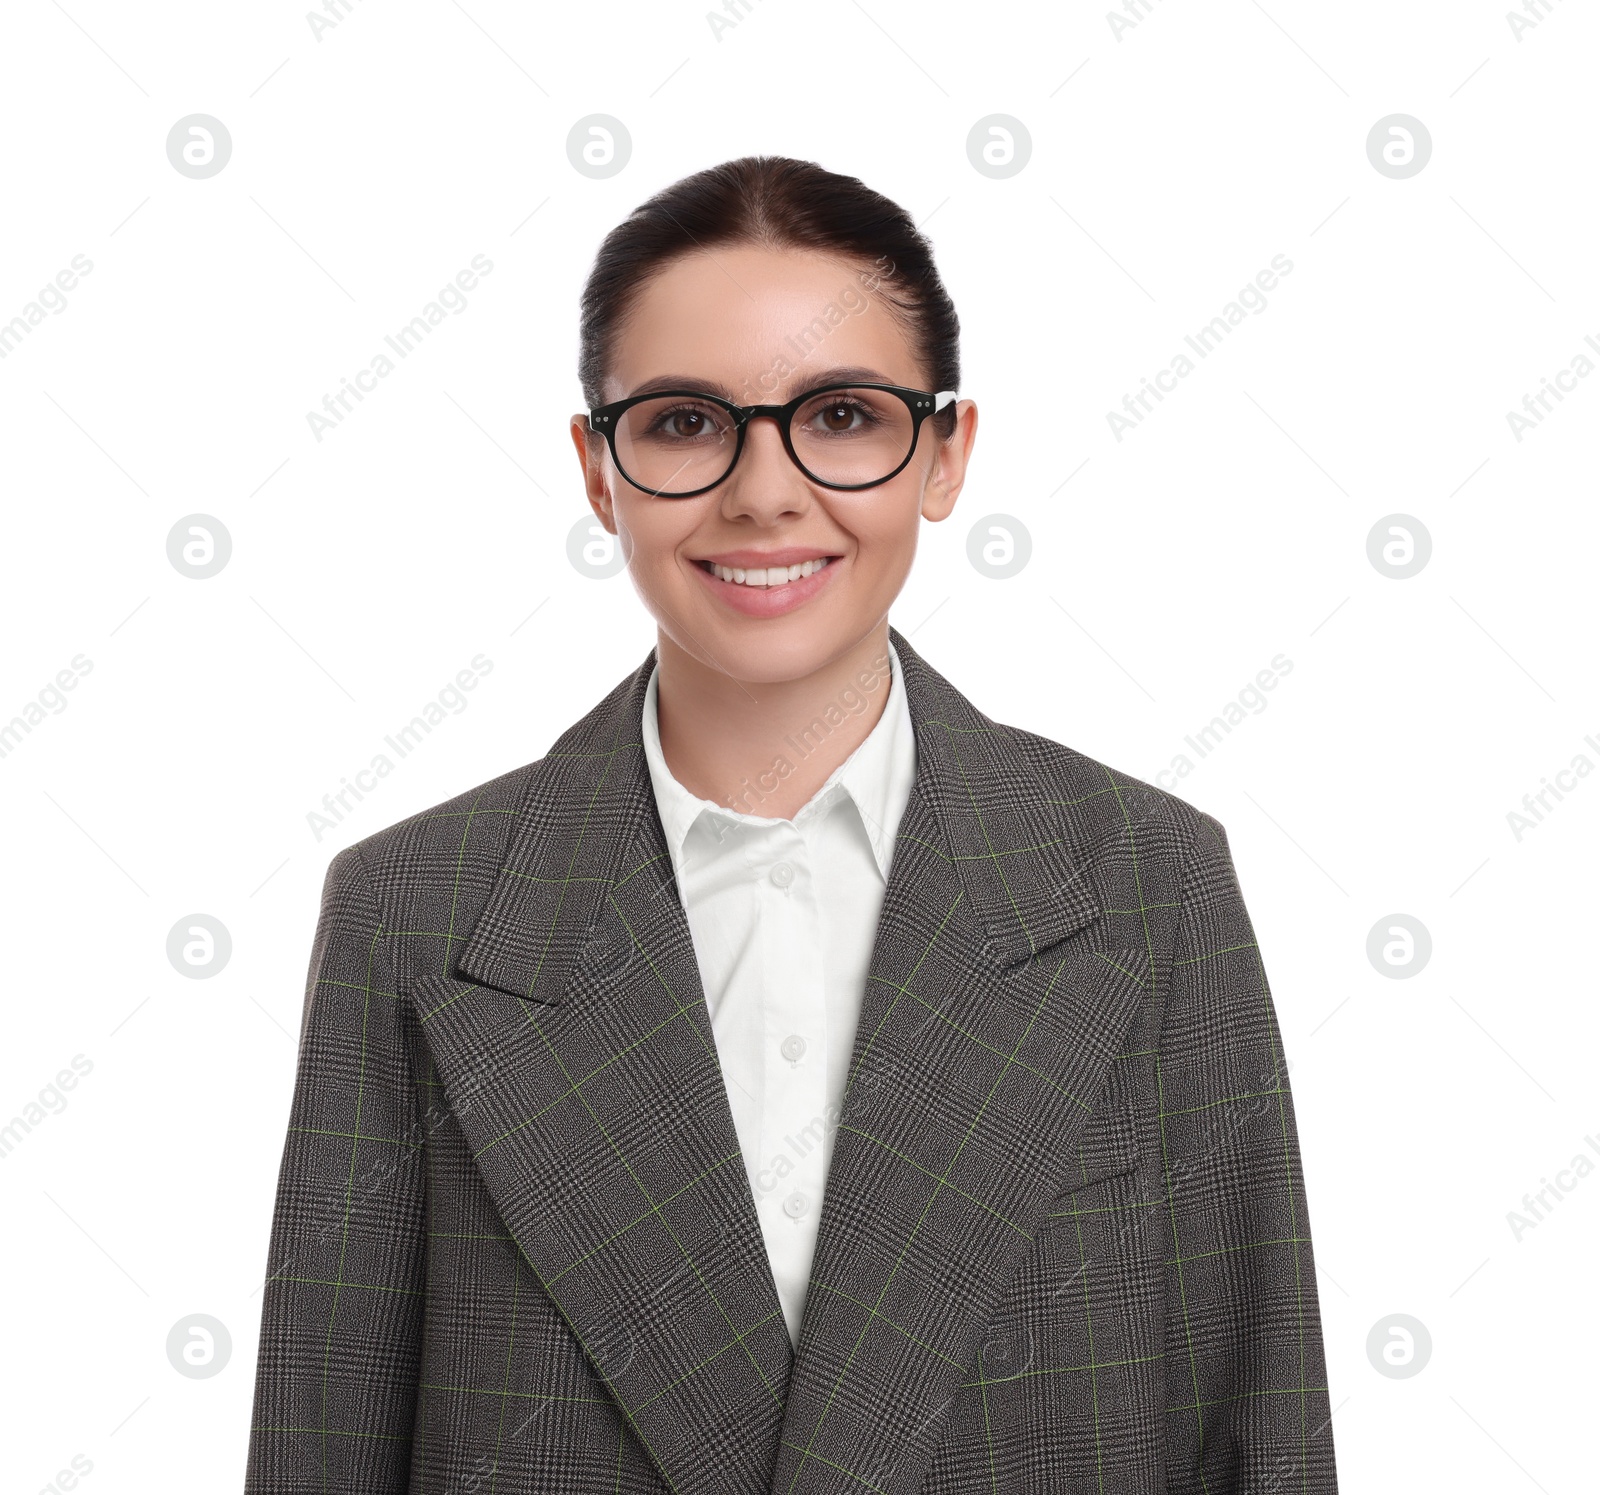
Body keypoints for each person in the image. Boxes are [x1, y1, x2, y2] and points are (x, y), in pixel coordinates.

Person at [244, 154, 1339, 1494]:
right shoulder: (418, 910)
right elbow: (322, 1448)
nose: (764, 490)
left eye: (841, 415)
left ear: (944, 455)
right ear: (599, 471)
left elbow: (1258, 1436)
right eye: (688, 424)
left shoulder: (1144, 880)